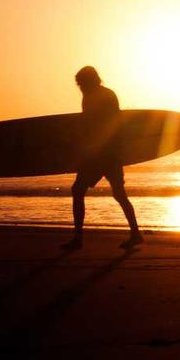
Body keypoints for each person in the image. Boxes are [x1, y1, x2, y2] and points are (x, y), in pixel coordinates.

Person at [62, 66, 144, 250]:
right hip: (108, 154)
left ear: (90, 80)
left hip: (102, 154)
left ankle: (77, 239)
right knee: (118, 194)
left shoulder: (102, 96)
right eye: (78, 83)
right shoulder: (93, 95)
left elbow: (110, 125)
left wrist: (91, 147)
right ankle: (136, 234)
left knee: (79, 190)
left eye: (81, 82)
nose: (79, 86)